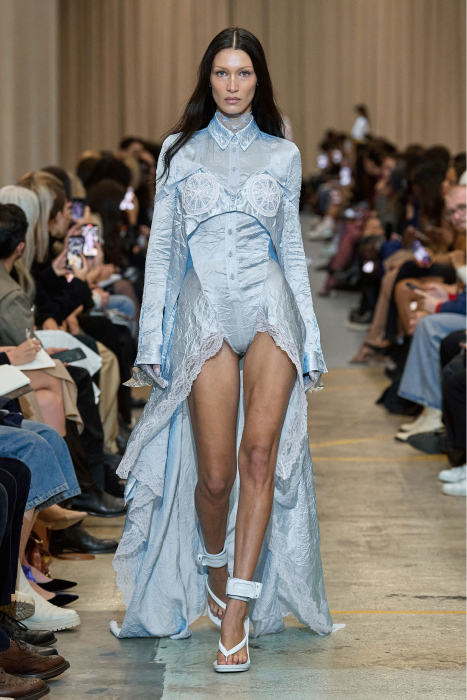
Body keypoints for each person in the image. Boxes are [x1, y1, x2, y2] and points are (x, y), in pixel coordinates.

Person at [111, 28, 336, 672]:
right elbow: (162, 253)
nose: (232, 84)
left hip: (270, 308)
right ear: (207, 80)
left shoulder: (283, 155)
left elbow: (291, 251)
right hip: (203, 308)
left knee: (258, 456)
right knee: (215, 477)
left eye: (243, 73)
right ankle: (215, 567)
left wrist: (312, 340)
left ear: (258, 80)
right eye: (221, 73)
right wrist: (151, 337)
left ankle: (236, 609)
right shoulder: (177, 152)